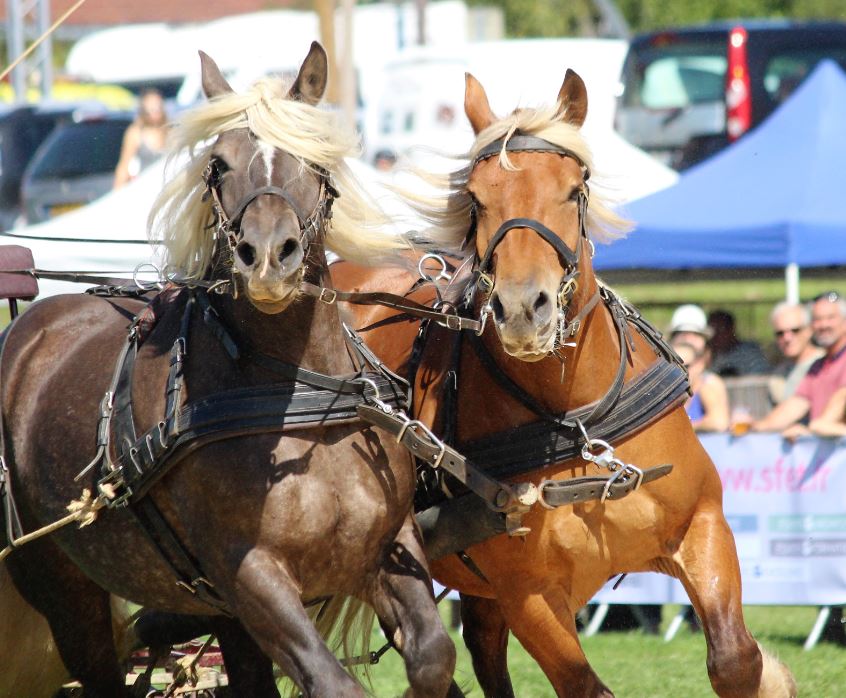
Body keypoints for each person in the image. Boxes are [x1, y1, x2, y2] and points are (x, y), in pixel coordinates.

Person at [753, 291, 846, 437]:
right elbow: (794, 406)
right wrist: (754, 426)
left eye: (830, 318)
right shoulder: (818, 366)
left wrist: (808, 433)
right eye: (817, 319)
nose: (823, 325)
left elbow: (826, 422)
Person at [768, 301, 823, 403]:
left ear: (809, 330)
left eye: (795, 330)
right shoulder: (779, 374)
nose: (787, 338)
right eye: (780, 333)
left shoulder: (825, 366)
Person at [113, 88, 168, 189]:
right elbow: (124, 165)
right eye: (151, 109)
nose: (155, 111)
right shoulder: (136, 133)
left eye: (158, 107)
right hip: (145, 188)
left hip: (167, 186)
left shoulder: (170, 130)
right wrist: (117, 193)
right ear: (144, 110)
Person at [672, 338, 730, 432]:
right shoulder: (671, 393)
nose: (679, 372)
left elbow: (719, 422)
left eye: (685, 366)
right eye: (673, 368)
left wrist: (682, 428)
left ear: (699, 365)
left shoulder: (706, 387)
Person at [707, 309, 771, 377]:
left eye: (719, 330)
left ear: (731, 330)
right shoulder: (706, 356)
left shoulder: (749, 353)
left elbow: (761, 377)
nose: (715, 336)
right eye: (711, 332)